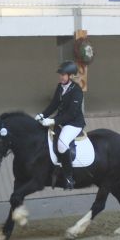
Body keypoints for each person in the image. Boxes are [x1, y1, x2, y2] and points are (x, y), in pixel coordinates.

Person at [35, 60, 85, 190]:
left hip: (74, 123)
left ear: (70, 76)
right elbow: (54, 104)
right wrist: (42, 115)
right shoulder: (60, 87)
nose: (61, 77)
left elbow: (71, 114)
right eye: (60, 74)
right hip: (61, 121)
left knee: (62, 144)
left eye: (63, 75)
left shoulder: (77, 91)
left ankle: (69, 177)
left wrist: (53, 121)